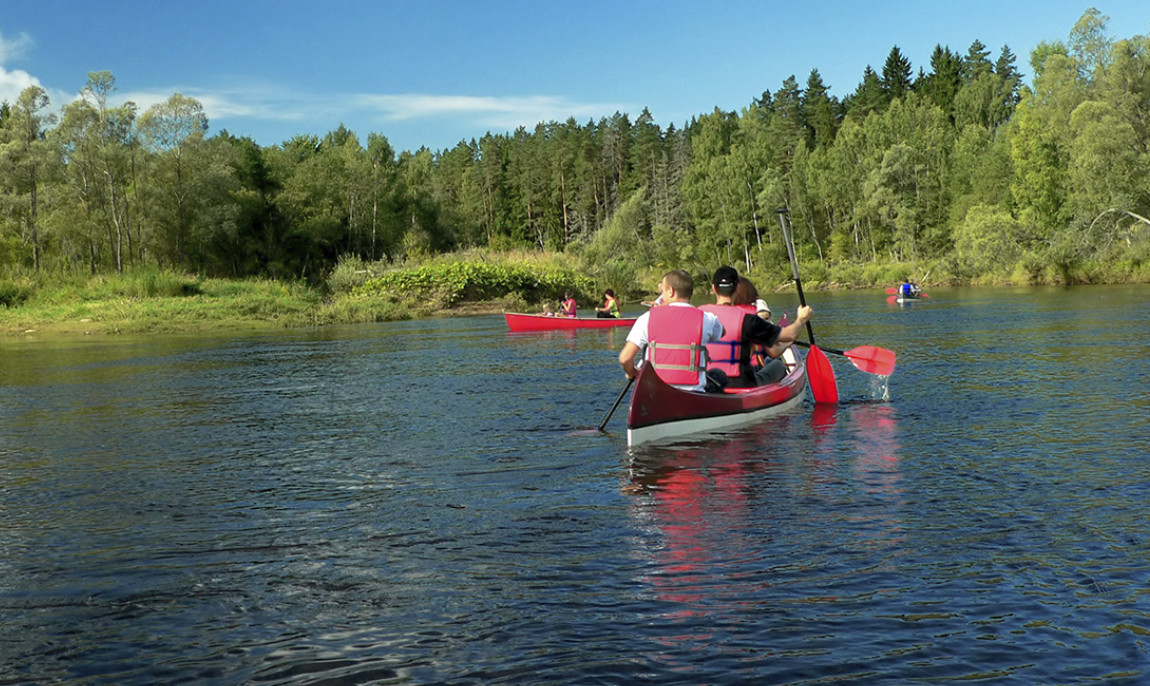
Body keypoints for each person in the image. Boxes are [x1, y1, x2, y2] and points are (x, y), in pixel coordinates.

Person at [699, 267, 812, 388]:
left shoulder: (699, 314)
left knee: (767, 362)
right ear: (736, 289)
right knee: (778, 365)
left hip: (708, 382)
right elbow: (789, 335)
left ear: (714, 288)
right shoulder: (747, 319)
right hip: (741, 386)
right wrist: (802, 319)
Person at [618, 270, 725, 392]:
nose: (661, 297)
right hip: (693, 394)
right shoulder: (707, 318)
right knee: (719, 376)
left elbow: (625, 358)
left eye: (662, 292)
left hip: (655, 392)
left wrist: (632, 373)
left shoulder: (646, 318)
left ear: (671, 291)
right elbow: (722, 332)